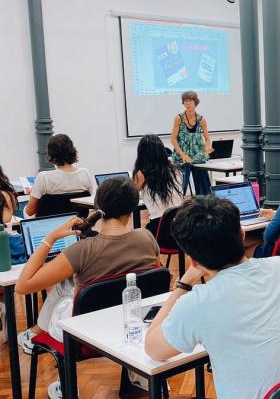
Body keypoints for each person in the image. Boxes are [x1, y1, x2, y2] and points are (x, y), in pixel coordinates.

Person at [144, 197, 280, 399]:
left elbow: (153, 349)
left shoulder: (200, 302)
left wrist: (182, 285)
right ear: (242, 234)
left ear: (192, 259)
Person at [16, 177, 160, 399]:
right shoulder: (147, 238)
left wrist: (51, 237)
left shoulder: (82, 250)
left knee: (65, 284)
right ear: (132, 208)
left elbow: (23, 286)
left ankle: (35, 333)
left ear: (97, 206)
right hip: (131, 326)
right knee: (71, 284)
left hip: (85, 335)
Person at [24, 134, 94, 217]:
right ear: (72, 150)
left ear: (50, 154)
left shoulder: (44, 177)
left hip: (52, 227)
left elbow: (30, 211)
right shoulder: (84, 173)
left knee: (24, 209)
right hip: (78, 224)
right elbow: (93, 201)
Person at [133, 134, 183, 235]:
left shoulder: (141, 174)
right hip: (180, 227)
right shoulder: (176, 170)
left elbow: (132, 197)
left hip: (159, 229)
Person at [171, 91, 213, 195]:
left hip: (197, 155)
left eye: (190, 101)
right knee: (181, 185)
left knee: (203, 183)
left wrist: (206, 150)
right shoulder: (178, 118)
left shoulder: (201, 119)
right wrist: (183, 154)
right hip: (182, 156)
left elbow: (207, 139)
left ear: (195, 102)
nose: (188, 103)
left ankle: (204, 202)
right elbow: (173, 139)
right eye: (185, 101)